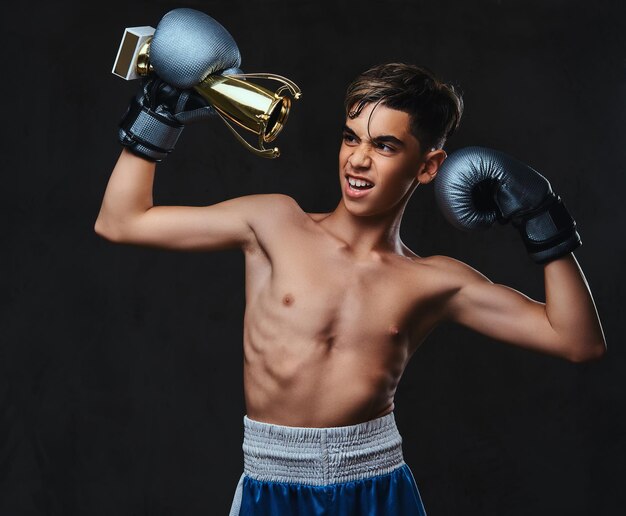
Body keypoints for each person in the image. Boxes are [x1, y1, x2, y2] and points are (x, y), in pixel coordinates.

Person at [94, 62, 606, 515]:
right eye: (350, 137)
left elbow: (577, 341)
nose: (358, 160)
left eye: (384, 146)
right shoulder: (273, 222)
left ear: (428, 166)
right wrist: (157, 116)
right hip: (274, 480)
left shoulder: (435, 280)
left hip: (376, 484)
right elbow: (121, 221)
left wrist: (542, 220)